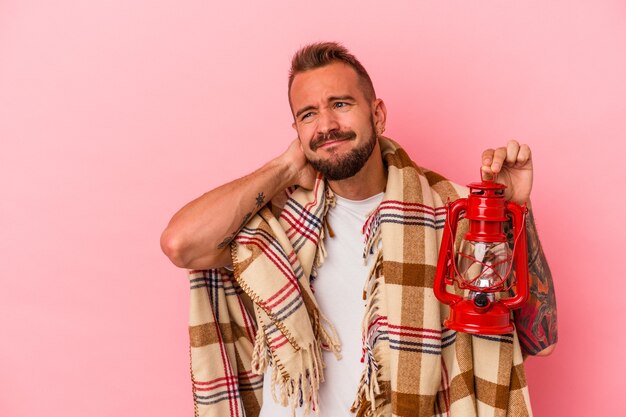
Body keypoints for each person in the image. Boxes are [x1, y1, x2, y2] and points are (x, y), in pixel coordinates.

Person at [161, 42, 557, 417]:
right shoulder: (278, 222)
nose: (327, 125)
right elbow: (181, 244)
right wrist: (283, 167)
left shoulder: (450, 215)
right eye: (308, 114)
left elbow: (540, 341)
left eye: (340, 104)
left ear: (378, 114)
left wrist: (518, 210)